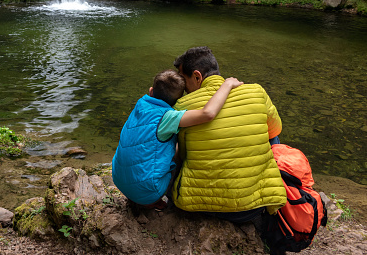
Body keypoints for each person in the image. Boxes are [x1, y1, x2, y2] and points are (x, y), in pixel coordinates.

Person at [171, 46, 287, 223]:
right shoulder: (257, 91)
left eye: (183, 79)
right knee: (270, 134)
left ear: (197, 76)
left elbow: (183, 155)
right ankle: (266, 187)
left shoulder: (182, 105)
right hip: (252, 209)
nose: (183, 88)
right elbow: (276, 131)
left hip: (198, 207)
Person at [112, 69, 243, 210]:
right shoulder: (168, 117)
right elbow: (208, 113)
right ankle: (157, 200)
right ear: (177, 102)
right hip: (147, 191)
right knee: (181, 142)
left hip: (118, 178)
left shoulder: (141, 104)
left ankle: (140, 195)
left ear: (151, 91)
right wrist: (227, 85)